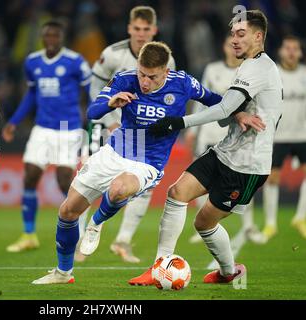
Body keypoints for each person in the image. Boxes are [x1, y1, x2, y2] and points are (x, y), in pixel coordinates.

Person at [32, 41, 223, 285]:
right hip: (113, 152)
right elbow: (92, 112)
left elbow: (217, 101)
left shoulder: (183, 83)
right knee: (68, 211)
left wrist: (225, 115)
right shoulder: (124, 78)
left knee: (119, 188)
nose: (144, 81)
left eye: (152, 77)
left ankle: (96, 223)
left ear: (165, 71)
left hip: (148, 163)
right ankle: (63, 273)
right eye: (142, 73)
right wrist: (111, 103)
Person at [129, 10, 282, 286]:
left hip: (248, 165)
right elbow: (227, 113)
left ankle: (229, 271)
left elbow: (223, 107)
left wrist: (177, 122)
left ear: (259, 37)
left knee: (203, 223)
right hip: (225, 151)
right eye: (233, 34)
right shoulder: (248, 64)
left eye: (241, 34)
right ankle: (158, 267)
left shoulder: (261, 68)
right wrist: (237, 115)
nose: (234, 40)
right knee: (176, 193)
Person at [77, 5, 176, 263]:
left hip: (141, 132)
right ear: (129, 28)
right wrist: (110, 120)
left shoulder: (165, 60)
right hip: (107, 124)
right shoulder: (112, 54)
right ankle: (80, 241)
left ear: (154, 30)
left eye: (146, 29)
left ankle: (122, 241)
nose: (141, 34)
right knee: (90, 179)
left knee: (142, 188)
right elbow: (95, 88)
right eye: (137, 29)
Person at [3, 21, 91, 253]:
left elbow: (91, 93)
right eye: (47, 36)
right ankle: (29, 234)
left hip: (67, 127)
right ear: (42, 38)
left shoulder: (75, 62)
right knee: (30, 176)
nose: (51, 39)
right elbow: (31, 94)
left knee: (64, 181)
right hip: (41, 127)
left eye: (55, 35)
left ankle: (80, 225)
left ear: (62, 38)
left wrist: (94, 122)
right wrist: (14, 121)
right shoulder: (32, 62)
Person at [186, 36, 265, 247]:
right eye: (229, 44)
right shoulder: (212, 69)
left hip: (235, 136)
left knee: (240, 178)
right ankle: (204, 225)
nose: (232, 48)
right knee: (199, 180)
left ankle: (249, 225)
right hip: (208, 134)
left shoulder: (248, 73)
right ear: (223, 47)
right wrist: (192, 130)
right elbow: (201, 100)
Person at [261, 35, 306, 240]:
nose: (291, 51)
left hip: (302, 134)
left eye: (294, 48)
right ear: (280, 51)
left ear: (300, 53)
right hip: (277, 135)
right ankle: (271, 224)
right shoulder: (272, 74)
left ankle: (300, 217)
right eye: (287, 48)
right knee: (273, 178)